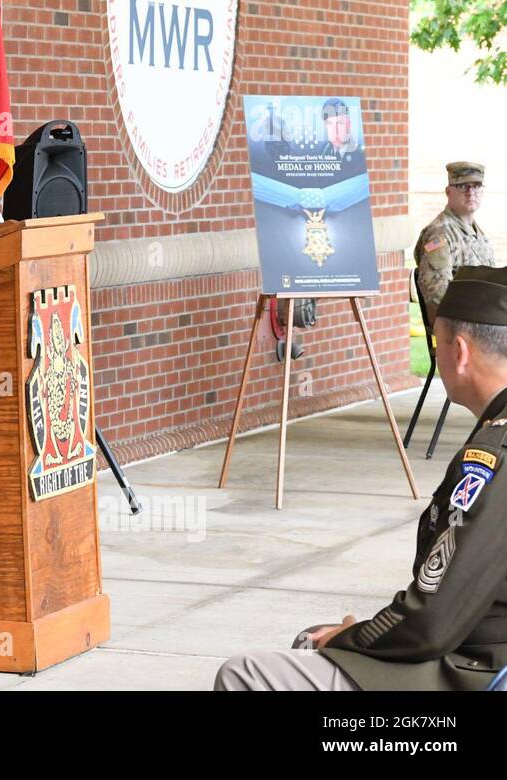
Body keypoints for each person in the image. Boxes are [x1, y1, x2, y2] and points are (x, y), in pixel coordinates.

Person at [215, 265, 507, 690]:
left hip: (475, 668)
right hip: (477, 649)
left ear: (458, 351)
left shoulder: (493, 456)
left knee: (247, 675)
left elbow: (432, 621)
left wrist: (349, 638)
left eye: (437, 343)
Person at [415, 162, 495, 311]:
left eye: (476, 185)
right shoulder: (439, 236)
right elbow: (437, 297)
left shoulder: (479, 235)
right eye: (462, 186)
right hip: (460, 327)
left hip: (485, 321)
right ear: (448, 191)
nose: (470, 192)